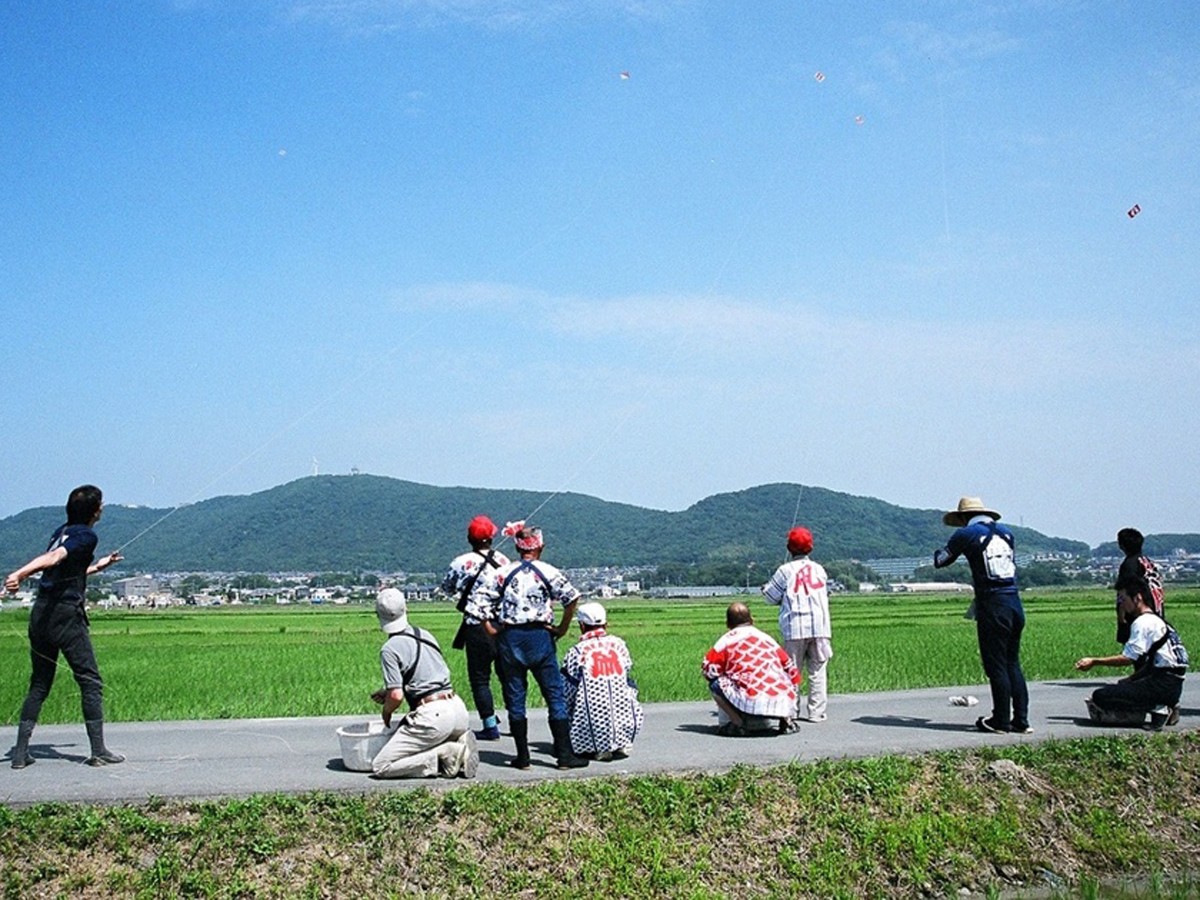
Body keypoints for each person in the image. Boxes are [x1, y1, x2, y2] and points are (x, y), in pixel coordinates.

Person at [5, 485, 125, 769]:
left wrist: (98, 567)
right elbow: (56, 558)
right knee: (90, 680)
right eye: (102, 504)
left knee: (40, 683)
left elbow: (63, 567)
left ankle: (20, 754)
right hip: (66, 616)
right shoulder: (86, 535)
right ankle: (98, 751)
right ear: (96, 511)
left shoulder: (62, 530)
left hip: (41, 614)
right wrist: (20, 573)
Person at [466, 521, 588, 769]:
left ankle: (523, 757)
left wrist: (491, 630)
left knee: (515, 697)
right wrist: (562, 628)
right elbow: (572, 598)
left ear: (517, 546)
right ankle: (564, 756)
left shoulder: (503, 573)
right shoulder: (548, 571)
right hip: (540, 636)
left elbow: (477, 604)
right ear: (540, 546)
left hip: (510, 638)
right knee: (554, 696)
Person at [934, 496, 1031, 735]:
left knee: (995, 664)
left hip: (992, 605)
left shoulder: (966, 534)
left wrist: (939, 550)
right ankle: (1021, 719)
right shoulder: (1007, 533)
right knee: (1012, 663)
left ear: (964, 517)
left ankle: (1000, 720)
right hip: (1014, 603)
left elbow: (941, 561)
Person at [369, 588, 478, 779]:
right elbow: (426, 676)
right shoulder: (425, 634)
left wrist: (386, 710)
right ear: (405, 608)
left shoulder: (389, 649)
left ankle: (446, 753)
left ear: (378, 615)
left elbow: (396, 696)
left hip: (433, 717)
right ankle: (457, 740)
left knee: (382, 765)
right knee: (425, 740)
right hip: (457, 709)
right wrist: (388, 692)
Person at [1075, 574, 1187, 731]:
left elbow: (1128, 658)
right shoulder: (1159, 621)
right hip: (1173, 684)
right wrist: (1131, 679)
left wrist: (1094, 661)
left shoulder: (1143, 622)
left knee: (1101, 696)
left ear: (1137, 598)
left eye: (1123, 598)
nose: (1121, 604)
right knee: (1123, 687)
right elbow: (1153, 663)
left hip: (1162, 684)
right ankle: (1165, 704)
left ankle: (1157, 707)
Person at [441, 515, 511, 740]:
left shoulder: (460, 562)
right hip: (502, 625)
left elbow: (447, 588)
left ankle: (490, 725)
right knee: (507, 675)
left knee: (480, 677)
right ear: (491, 536)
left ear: (469, 538)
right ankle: (517, 718)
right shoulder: (504, 561)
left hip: (475, 626)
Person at [762, 526, 832, 722]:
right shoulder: (819, 569)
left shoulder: (785, 570)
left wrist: (766, 590)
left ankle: (791, 711)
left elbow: (770, 596)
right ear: (810, 547)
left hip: (794, 627)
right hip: (820, 627)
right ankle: (817, 712)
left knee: (792, 671)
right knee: (817, 670)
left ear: (789, 548)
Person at [702, 602, 801, 736]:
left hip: (751, 699)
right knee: (783, 678)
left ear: (728, 624)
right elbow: (791, 669)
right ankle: (787, 721)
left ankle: (738, 724)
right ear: (751, 620)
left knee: (715, 685)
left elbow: (709, 670)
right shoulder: (768, 639)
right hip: (782, 700)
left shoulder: (725, 642)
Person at [560, 601, 644, 760]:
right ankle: (621, 742)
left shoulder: (577, 651)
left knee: (567, 702)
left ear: (582, 626)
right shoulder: (619, 644)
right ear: (606, 624)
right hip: (626, 712)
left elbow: (568, 687)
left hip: (593, 715)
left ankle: (598, 748)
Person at [1115, 528, 1165, 644]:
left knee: (1138, 653)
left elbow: (1125, 590)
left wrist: (1121, 617)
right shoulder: (1147, 562)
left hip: (1139, 614)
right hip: (1156, 612)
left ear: (1122, 545)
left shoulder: (1129, 564)